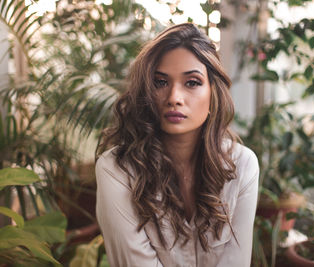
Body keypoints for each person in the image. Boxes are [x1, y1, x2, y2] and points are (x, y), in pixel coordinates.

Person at [95, 23, 259, 267]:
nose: (174, 98)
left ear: (213, 93)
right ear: (146, 92)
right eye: (160, 82)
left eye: (192, 82)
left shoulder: (242, 165)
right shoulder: (116, 169)